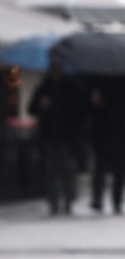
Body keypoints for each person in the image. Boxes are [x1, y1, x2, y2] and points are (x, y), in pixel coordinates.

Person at [28, 62, 87, 215]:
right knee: (51, 170)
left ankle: (69, 199)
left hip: (68, 136)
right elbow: (32, 108)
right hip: (49, 135)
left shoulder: (71, 88)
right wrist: (42, 105)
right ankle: (53, 201)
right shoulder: (44, 88)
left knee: (68, 169)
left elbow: (80, 111)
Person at [89, 76, 125, 214]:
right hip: (102, 134)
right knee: (100, 168)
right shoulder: (97, 83)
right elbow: (89, 109)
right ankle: (97, 199)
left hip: (121, 134)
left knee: (119, 171)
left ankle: (117, 201)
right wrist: (95, 103)